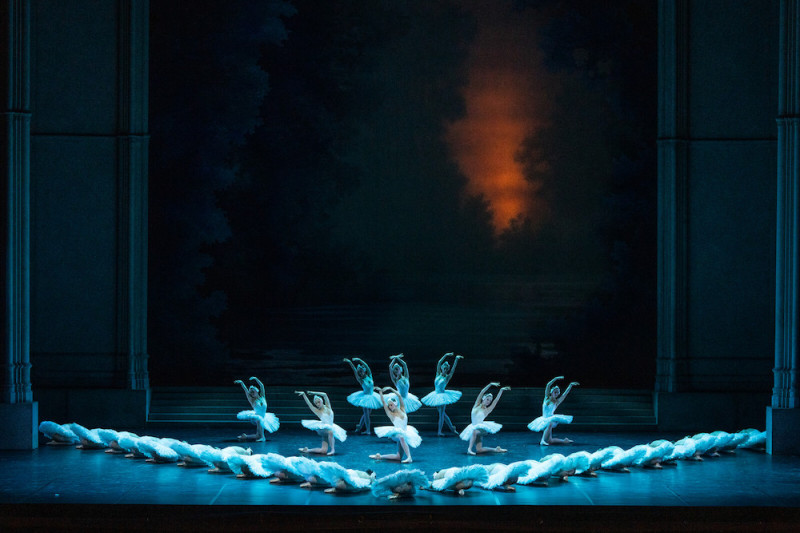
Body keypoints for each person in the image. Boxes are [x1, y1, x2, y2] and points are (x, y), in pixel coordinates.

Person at [369, 386, 421, 463]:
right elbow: (383, 403)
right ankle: (409, 457)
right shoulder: (391, 414)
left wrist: (390, 388)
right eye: (389, 405)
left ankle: (379, 456)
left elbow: (399, 396)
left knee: (398, 457)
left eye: (391, 404)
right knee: (401, 437)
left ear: (395, 404)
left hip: (406, 431)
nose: (390, 407)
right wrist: (380, 393)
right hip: (396, 434)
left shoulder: (402, 409)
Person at [460, 382, 510, 455]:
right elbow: (482, 391)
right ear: (483, 398)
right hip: (474, 427)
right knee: (479, 449)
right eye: (487, 399)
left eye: (490, 400)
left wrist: (501, 390)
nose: (488, 401)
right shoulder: (476, 405)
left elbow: (496, 401)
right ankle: (496, 449)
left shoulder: (487, 410)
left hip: (482, 429)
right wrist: (490, 384)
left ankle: (469, 449)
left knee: (474, 432)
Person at [420, 352, 463, 436]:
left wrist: (456, 359)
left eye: (446, 368)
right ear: (442, 368)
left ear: (447, 369)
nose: (445, 368)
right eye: (444, 367)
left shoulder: (447, 377)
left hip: (443, 396)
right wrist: (446, 355)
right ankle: (452, 428)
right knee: (443, 414)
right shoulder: (438, 374)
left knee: (441, 414)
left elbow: (453, 369)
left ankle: (439, 431)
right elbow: (439, 362)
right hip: (436, 395)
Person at [528, 376, 578, 445]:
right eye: (555, 392)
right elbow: (548, 385)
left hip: (551, 419)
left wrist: (570, 385)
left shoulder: (556, 402)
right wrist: (556, 378)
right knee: (550, 441)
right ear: (552, 392)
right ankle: (564, 441)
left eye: (558, 392)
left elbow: (564, 394)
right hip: (543, 419)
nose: (556, 393)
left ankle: (542, 441)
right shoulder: (546, 398)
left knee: (550, 422)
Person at [295, 390, 346, 456]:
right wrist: (304, 395)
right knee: (330, 432)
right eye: (316, 403)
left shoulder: (328, 406)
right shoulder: (317, 411)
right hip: (323, 429)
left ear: (321, 401)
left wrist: (313, 393)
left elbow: (324, 394)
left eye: (318, 402)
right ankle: (333, 450)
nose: (318, 404)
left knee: (323, 451)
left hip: (330, 427)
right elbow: (309, 404)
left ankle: (307, 450)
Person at [344, 357, 382, 435]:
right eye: (359, 372)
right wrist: (350, 362)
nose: (360, 372)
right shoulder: (360, 379)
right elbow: (354, 370)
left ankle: (359, 426)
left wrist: (359, 360)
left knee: (367, 414)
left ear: (364, 371)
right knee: (366, 414)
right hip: (365, 397)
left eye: (361, 371)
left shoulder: (369, 376)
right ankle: (368, 430)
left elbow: (367, 366)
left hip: (372, 396)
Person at [234, 376, 279, 442]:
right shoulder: (252, 400)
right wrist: (242, 383)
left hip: (264, 416)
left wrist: (255, 379)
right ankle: (262, 438)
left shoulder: (262, 396)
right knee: (260, 425)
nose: (252, 393)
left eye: (253, 391)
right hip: (258, 417)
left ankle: (245, 436)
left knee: (258, 434)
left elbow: (262, 386)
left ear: (256, 391)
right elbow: (246, 391)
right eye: (251, 392)